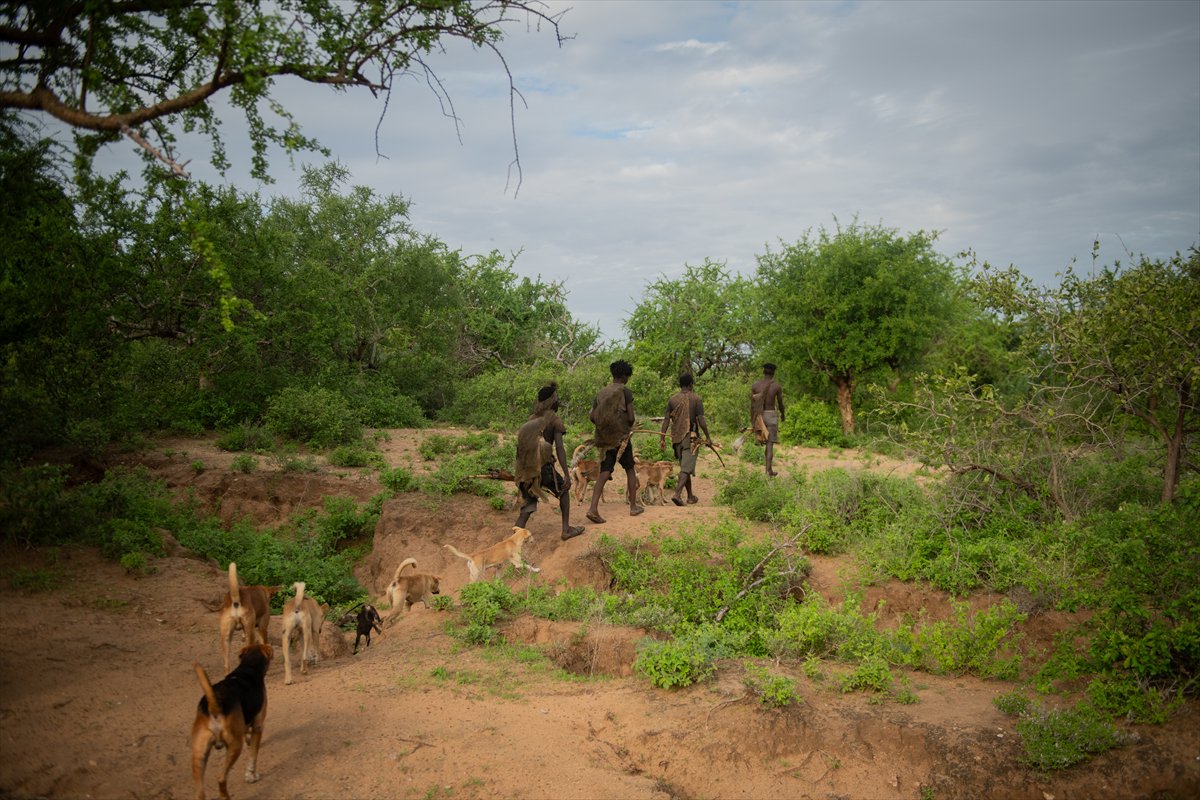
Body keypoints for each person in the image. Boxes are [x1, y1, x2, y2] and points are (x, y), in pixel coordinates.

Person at [514, 382, 585, 541]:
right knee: (564, 491)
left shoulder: (531, 418)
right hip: (543, 469)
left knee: (527, 505)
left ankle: (514, 539)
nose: (558, 401)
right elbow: (560, 448)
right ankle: (566, 529)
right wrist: (567, 475)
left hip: (527, 469)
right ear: (551, 401)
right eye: (556, 398)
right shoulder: (554, 420)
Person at [587, 359, 642, 523]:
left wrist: (605, 429)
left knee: (605, 471)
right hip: (621, 438)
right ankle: (633, 506)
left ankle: (593, 509)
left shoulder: (601, 393)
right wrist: (626, 426)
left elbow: (592, 416)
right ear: (624, 376)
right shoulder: (625, 392)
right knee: (630, 469)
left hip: (604, 440)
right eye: (628, 376)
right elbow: (631, 417)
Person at [659, 373, 713, 506]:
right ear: (690, 385)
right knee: (685, 468)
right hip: (690, 438)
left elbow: (666, 420)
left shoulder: (672, 400)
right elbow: (701, 419)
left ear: (680, 385)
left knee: (685, 466)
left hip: (676, 438)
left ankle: (690, 496)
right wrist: (708, 437)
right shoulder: (696, 399)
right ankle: (677, 494)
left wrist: (662, 437)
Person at [750, 362, 785, 477]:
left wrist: (753, 421)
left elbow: (752, 406)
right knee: (769, 445)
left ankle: (768, 470)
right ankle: (768, 471)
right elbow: (780, 403)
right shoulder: (776, 386)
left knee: (763, 443)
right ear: (773, 373)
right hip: (771, 415)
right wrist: (783, 414)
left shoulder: (755, 385)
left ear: (763, 372)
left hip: (759, 416)